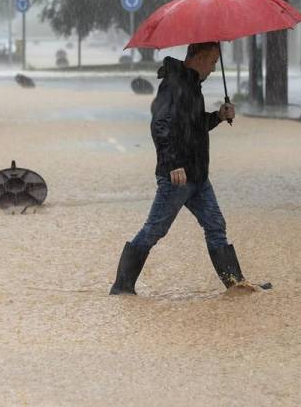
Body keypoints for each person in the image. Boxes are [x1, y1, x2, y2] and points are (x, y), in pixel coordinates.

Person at [110, 42, 263, 295]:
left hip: (198, 176)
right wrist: (173, 164)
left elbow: (192, 126)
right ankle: (122, 287)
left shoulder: (192, 85)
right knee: (154, 230)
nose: (214, 69)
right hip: (178, 177)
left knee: (216, 225)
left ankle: (236, 285)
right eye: (213, 62)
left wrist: (218, 116)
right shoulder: (174, 85)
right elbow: (160, 126)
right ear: (199, 57)